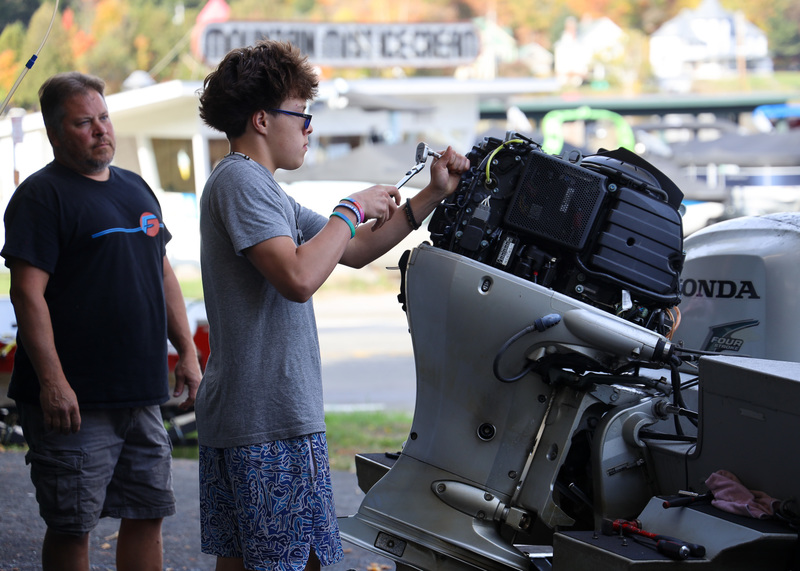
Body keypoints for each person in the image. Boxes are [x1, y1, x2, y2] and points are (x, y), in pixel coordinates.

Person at [195, 39, 470, 571]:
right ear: (261, 119)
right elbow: (298, 277)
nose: (309, 128)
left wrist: (431, 194)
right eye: (301, 114)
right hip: (265, 422)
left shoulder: (263, 189)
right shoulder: (239, 182)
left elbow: (356, 249)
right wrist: (350, 207)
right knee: (292, 563)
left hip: (266, 417)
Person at [1, 72, 202, 571]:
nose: (101, 130)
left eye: (104, 117)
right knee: (72, 527)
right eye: (84, 122)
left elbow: (164, 275)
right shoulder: (39, 198)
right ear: (55, 133)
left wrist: (189, 353)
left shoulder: (136, 189)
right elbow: (27, 295)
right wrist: (52, 383)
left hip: (142, 393)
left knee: (148, 513)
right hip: (74, 402)